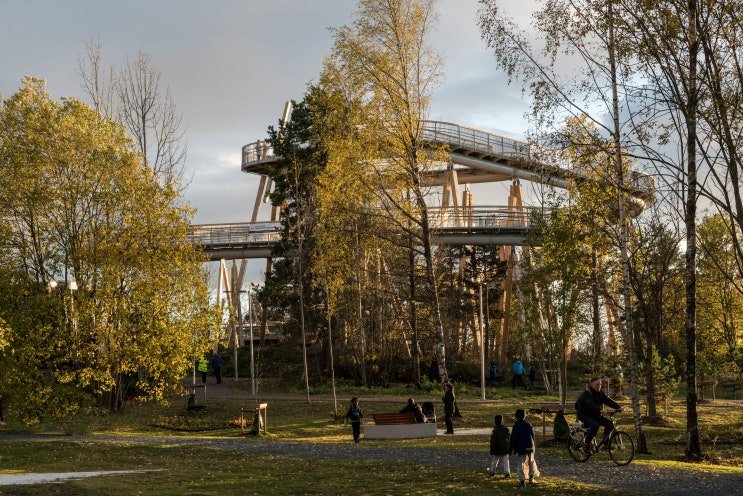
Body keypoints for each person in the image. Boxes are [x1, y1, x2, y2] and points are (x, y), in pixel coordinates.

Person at [575, 377, 622, 453]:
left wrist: (619, 407)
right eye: (597, 384)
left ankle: (606, 444)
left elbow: (608, 400)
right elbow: (590, 404)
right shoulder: (586, 393)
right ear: (591, 384)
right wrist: (600, 410)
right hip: (584, 415)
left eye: (600, 384)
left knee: (610, 425)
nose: (599, 386)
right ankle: (587, 443)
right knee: (595, 425)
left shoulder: (600, 393)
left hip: (595, 415)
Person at [508, 408, 538, 488]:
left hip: (521, 447)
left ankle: (522, 481)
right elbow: (533, 435)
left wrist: (510, 449)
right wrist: (533, 446)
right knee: (531, 462)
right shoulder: (528, 424)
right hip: (530, 446)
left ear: (516, 416)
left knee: (521, 463)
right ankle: (531, 477)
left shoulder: (516, 425)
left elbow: (513, 438)